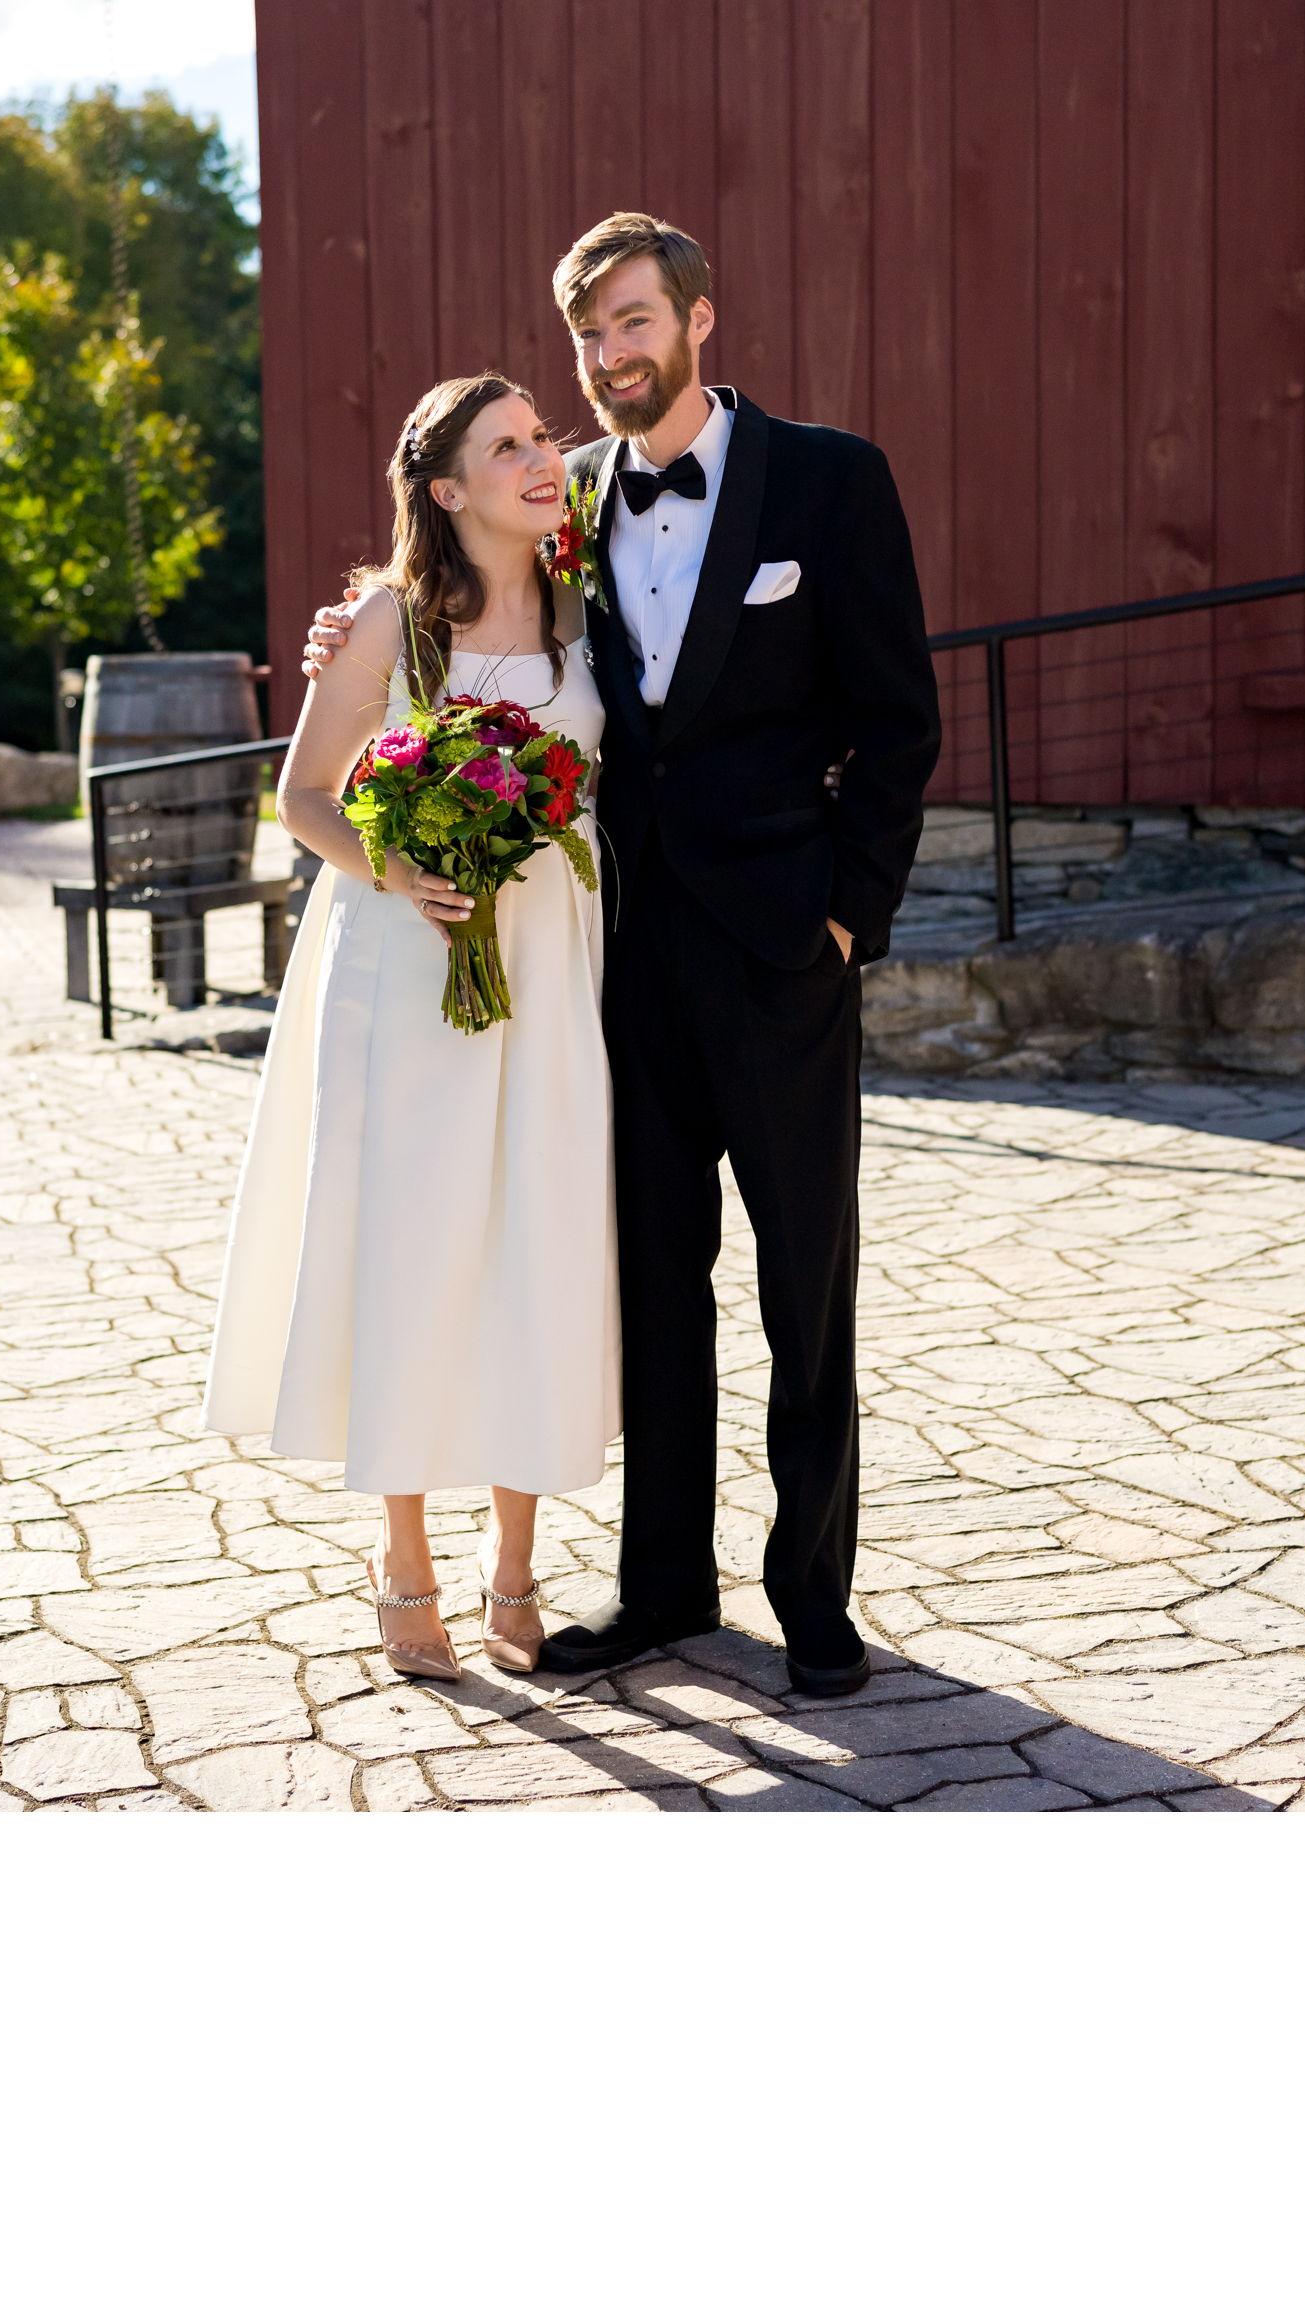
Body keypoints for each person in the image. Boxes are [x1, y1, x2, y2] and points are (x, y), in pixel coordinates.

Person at [304, 216, 940, 1699]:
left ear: (700, 319)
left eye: (635, 322)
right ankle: (663, 1589)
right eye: (588, 335)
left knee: (808, 1287)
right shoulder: (563, 497)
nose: (610, 357)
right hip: (621, 968)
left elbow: (899, 724)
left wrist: (852, 917)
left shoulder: (836, 483)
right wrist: (362, 624)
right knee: (652, 1288)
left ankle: (814, 1596)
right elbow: (448, 607)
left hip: (786, 956)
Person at [200, 375, 616, 1683]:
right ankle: (405, 1560)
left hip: (549, 972)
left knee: (529, 1246)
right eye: (509, 446)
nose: (542, 458)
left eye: (545, 436)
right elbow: (306, 799)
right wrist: (404, 870)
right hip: (407, 969)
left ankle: (515, 1565)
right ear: (446, 489)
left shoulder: (585, 608)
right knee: (414, 1247)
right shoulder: (390, 620)